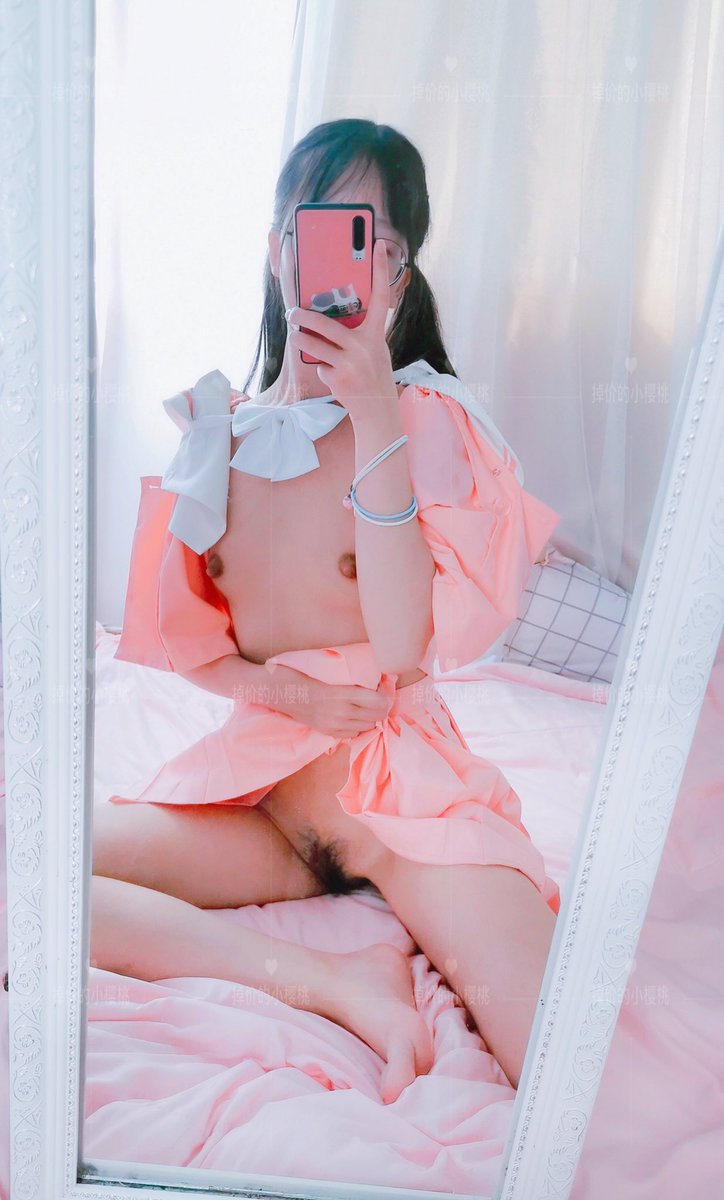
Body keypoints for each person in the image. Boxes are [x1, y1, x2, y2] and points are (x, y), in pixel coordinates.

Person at [91, 118, 561, 1103]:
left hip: (403, 802)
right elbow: (192, 646)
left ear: (398, 276)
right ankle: (334, 980)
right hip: (262, 797)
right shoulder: (215, 435)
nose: (347, 259)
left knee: (559, 1050)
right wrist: (286, 696)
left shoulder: (428, 421)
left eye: (373, 240)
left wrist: (375, 413)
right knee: (39, 879)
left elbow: (403, 642)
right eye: (323, 228)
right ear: (279, 252)